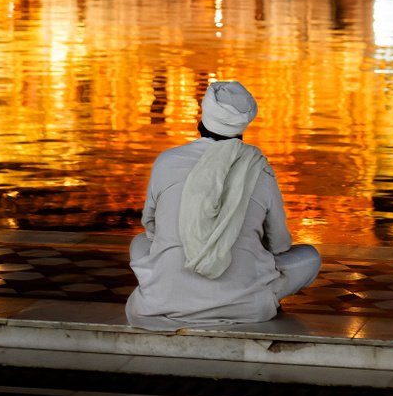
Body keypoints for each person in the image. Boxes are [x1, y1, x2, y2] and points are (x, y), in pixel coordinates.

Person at [125, 80, 321, 328]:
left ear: (202, 118)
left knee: (140, 242)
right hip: (246, 304)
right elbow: (280, 244)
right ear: (243, 126)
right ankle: (245, 290)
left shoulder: (167, 161)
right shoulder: (259, 169)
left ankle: (170, 286)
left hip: (161, 300)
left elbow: (151, 226)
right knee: (310, 257)